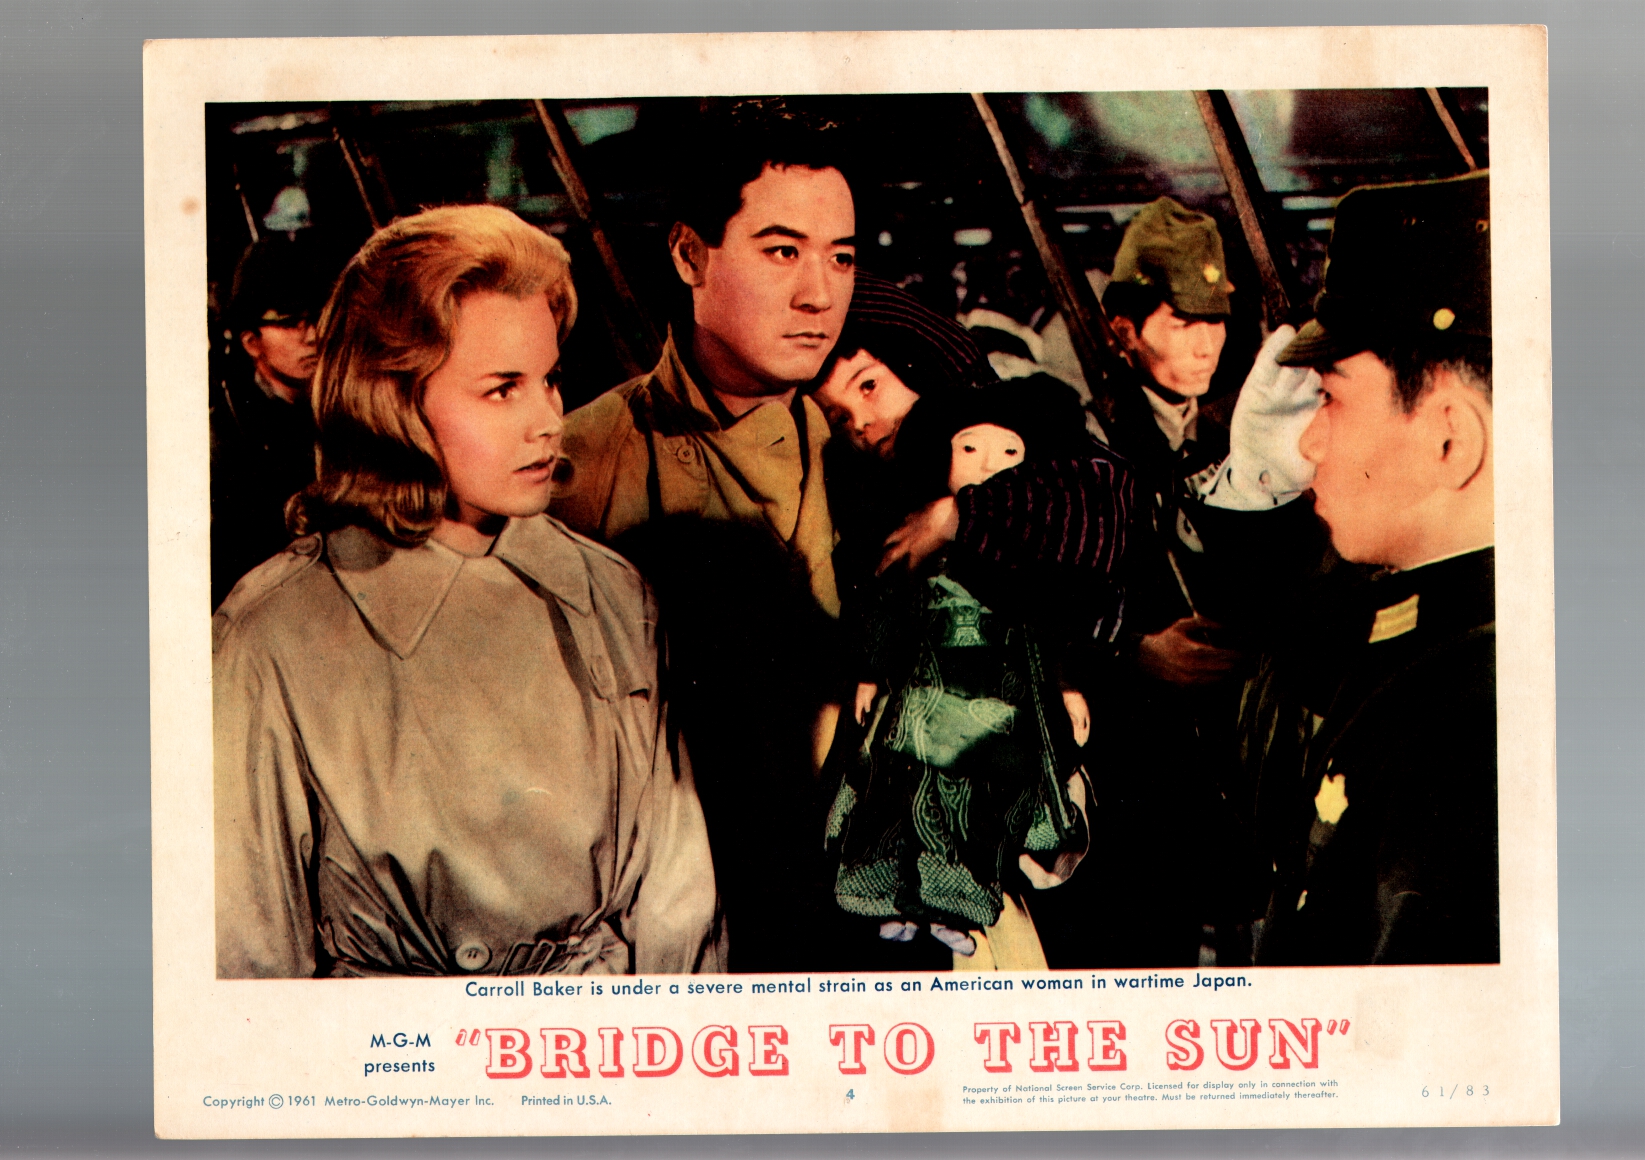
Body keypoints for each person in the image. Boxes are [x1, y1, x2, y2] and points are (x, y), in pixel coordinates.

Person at [213, 205, 724, 978]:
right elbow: (249, 958)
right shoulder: (271, 633)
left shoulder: (612, 593)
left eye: (550, 380)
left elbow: (681, 907)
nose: (547, 421)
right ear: (394, 400)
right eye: (501, 390)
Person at [548, 102, 855, 972]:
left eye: (841, 257)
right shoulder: (579, 466)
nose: (819, 293)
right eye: (782, 251)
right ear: (689, 256)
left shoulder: (878, 457)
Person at [1237, 171, 1498, 965]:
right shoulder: (1436, 649)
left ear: (1449, 439)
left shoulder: (1468, 728)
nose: (1307, 441)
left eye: (1332, 398)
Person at [828, 382, 1106, 971]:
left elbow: (1054, 621)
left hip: (998, 698)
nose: (987, 465)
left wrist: (1066, 683)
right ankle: (894, 903)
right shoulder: (917, 528)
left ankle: (957, 910)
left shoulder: (1034, 545)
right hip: (924, 686)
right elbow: (885, 601)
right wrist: (871, 673)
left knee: (976, 810)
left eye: (1009, 453)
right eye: (970, 449)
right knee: (901, 797)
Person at [210, 237, 333, 608]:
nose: (312, 336)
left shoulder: (339, 407)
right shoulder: (228, 435)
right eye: (291, 323)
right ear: (252, 342)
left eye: (314, 318)